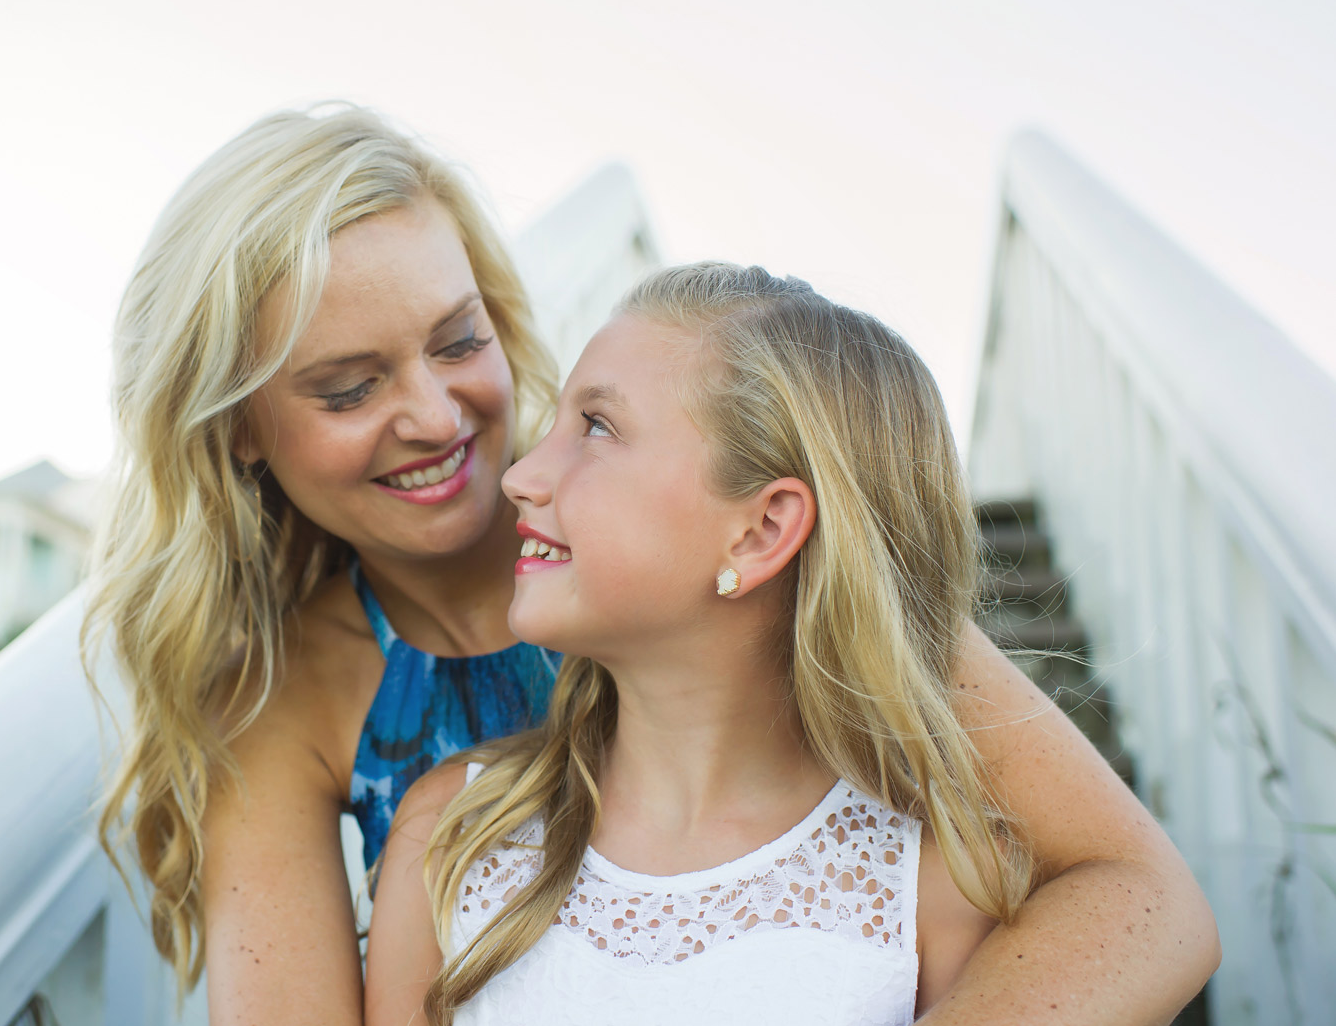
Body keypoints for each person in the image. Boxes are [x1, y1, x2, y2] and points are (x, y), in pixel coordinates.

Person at [82, 103, 1218, 1026]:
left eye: (457, 340)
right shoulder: (301, 709)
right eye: (346, 388)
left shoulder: (723, 545)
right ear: (234, 427)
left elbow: (1141, 900)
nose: (438, 417)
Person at [363, 263, 1219, 1024]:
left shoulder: (935, 889)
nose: (520, 476)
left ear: (762, 530)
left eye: (596, 428)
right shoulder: (452, 835)